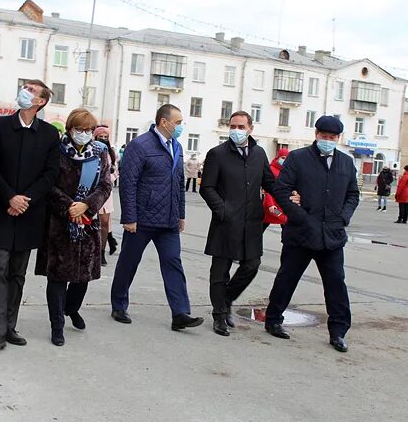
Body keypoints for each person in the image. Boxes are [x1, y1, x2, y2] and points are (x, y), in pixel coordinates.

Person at [264, 115, 360, 353]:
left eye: (332, 137)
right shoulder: (298, 158)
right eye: (324, 136)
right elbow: (281, 189)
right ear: (316, 135)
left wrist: (343, 217)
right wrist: (299, 216)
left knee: (336, 283)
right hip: (301, 233)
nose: (328, 140)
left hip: (332, 236)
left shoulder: (346, 163)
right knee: (287, 278)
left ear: (338, 138)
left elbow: (353, 194)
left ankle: (338, 331)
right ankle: (273, 319)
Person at [0, 80, 60, 352]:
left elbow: (50, 174)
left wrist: (25, 200)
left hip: (30, 212)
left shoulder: (49, 135)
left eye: (31, 91)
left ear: (41, 102)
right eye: (23, 88)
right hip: (1, 209)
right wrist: (9, 197)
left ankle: (10, 325)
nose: (24, 93)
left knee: (17, 272)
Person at [110, 103, 204, 331]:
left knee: (173, 263)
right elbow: (128, 184)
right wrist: (129, 218)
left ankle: (180, 313)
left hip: (169, 220)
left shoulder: (177, 146)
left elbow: (179, 183)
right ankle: (119, 304)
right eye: (178, 122)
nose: (180, 127)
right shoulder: (139, 146)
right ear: (164, 122)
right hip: (142, 219)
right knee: (129, 261)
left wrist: (181, 214)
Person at [36, 109, 112, 346]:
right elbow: (47, 184)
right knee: (58, 277)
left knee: (83, 275)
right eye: (79, 129)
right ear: (70, 129)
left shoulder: (100, 153)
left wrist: (87, 205)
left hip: (88, 223)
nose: (84, 134)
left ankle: (72, 308)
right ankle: (57, 324)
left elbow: (106, 185)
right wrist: (69, 207)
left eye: (88, 130)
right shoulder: (56, 151)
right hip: (60, 222)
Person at [199, 111, 277, 336]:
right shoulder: (217, 154)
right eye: (233, 126)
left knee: (251, 265)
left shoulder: (259, 154)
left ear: (250, 128)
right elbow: (207, 187)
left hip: (251, 222)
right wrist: (222, 209)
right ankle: (219, 315)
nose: (236, 130)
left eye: (241, 126)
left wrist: (288, 196)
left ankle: (227, 299)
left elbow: (269, 183)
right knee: (220, 271)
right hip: (225, 222)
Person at [94, 125, 119, 265]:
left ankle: (101, 253)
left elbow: (115, 171)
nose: (103, 139)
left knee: (104, 223)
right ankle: (94, 250)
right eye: (100, 136)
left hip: (106, 192)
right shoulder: (92, 150)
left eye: (105, 137)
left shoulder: (111, 153)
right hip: (92, 191)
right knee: (92, 223)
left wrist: (110, 176)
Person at [262, 148, 290, 231]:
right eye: (282, 158)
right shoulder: (270, 169)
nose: (284, 160)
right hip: (271, 206)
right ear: (278, 157)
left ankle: (286, 243)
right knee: (262, 226)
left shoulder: (287, 171)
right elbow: (267, 188)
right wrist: (270, 204)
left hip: (281, 206)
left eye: (286, 158)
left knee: (285, 225)